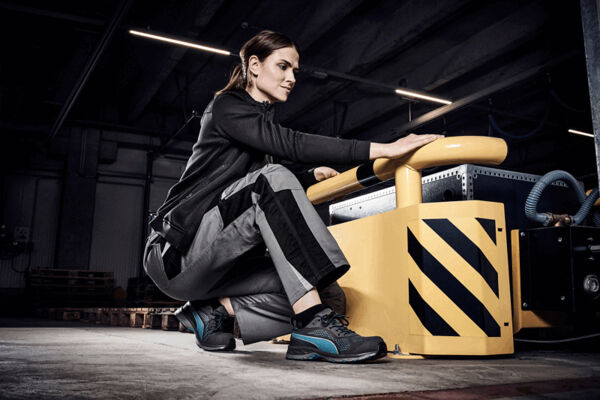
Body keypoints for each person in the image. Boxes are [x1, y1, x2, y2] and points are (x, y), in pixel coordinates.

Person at [143, 30, 441, 363]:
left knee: (330, 297)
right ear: (254, 66)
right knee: (273, 179)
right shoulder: (227, 107)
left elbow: (249, 182)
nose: (291, 78)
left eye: (295, 71)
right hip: (174, 255)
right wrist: (384, 149)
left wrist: (306, 177)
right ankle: (313, 325)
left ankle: (215, 313)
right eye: (283, 66)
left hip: (219, 269)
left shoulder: (257, 132)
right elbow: (291, 145)